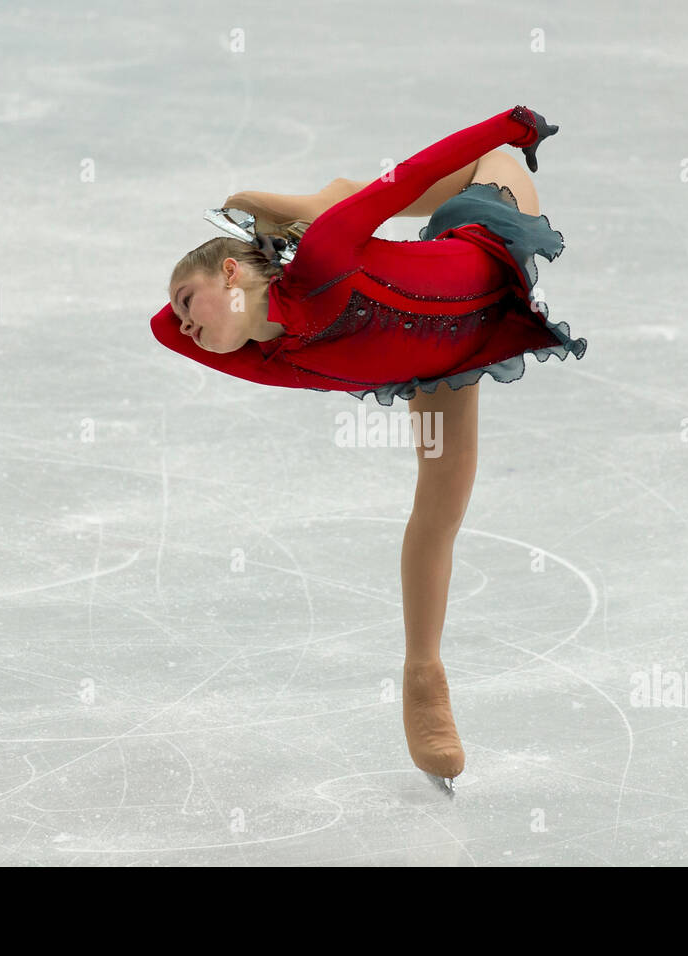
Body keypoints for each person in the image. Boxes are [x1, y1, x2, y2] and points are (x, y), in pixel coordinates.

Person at [150, 105, 587, 791]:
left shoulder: (324, 258)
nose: (182, 322)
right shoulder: (274, 358)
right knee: (438, 513)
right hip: (449, 367)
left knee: (484, 172)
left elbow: (405, 179)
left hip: (483, 239)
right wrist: (192, 312)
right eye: (180, 313)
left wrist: (514, 129)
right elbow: (164, 332)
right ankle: (424, 674)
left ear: (232, 272)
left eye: (187, 298)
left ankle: (331, 196)